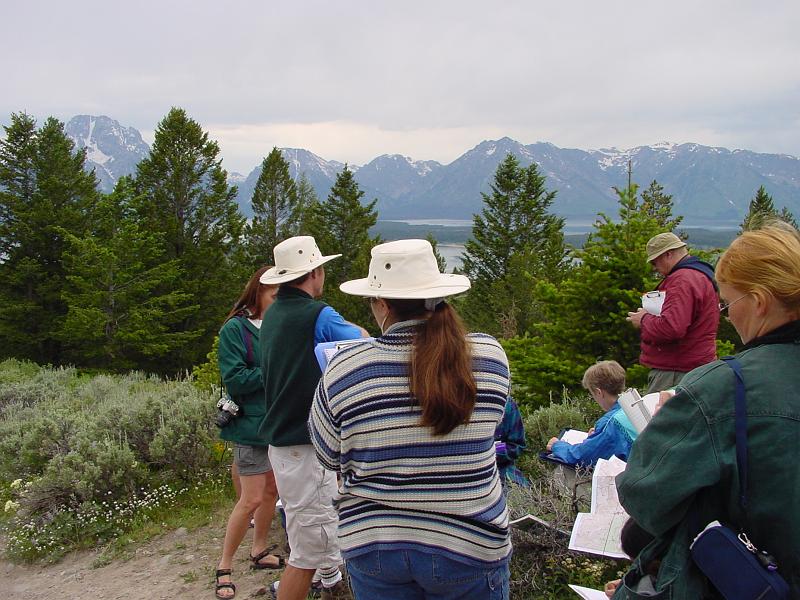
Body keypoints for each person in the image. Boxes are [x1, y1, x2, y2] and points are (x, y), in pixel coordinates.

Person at [310, 239, 512, 600]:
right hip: (470, 542)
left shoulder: (344, 369)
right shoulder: (489, 356)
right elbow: (491, 426)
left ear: (382, 304)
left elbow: (327, 455)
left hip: (374, 543)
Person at [614, 225, 800, 597]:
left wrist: (672, 427)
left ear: (760, 301)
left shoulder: (723, 389)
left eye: (728, 304)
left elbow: (644, 495)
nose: (727, 317)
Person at [258, 236, 368, 600]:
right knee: (310, 546)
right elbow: (362, 341)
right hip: (307, 447)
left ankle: (331, 584)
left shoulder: (273, 313)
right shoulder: (317, 315)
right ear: (314, 273)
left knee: (307, 528)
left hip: (282, 444)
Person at [215, 267, 283, 600]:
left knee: (271, 491)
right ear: (257, 293)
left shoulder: (276, 325)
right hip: (251, 427)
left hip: (276, 423)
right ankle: (223, 566)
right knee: (251, 498)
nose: (278, 301)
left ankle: (258, 551)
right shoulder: (234, 329)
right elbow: (236, 379)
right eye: (274, 295)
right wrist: (276, 368)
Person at [626, 232, 719, 393]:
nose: (655, 267)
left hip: (676, 372)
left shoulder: (681, 280)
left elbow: (671, 328)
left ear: (668, 254)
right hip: (697, 366)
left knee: (661, 416)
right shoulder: (701, 275)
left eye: (655, 261)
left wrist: (643, 319)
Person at [545, 360, 637, 468]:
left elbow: (582, 456)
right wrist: (597, 437)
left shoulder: (611, 422)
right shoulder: (634, 406)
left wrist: (557, 446)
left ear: (599, 392)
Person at [494, 397, 529, 488]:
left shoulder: (505, 404)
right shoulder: (454, 402)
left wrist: (491, 450)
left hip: (501, 470)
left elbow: (516, 445)